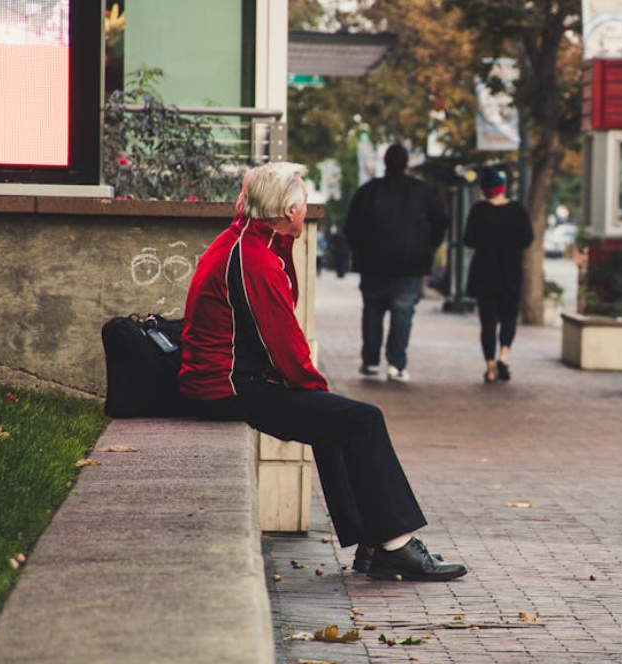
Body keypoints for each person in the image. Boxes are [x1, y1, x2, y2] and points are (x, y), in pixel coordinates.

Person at [178, 162, 467, 582]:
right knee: (361, 419)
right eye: (302, 201)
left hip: (231, 379)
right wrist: (317, 391)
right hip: (226, 386)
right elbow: (284, 342)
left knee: (337, 421)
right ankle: (396, 547)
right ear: (287, 210)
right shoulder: (253, 257)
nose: (307, 207)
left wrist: (319, 398)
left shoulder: (252, 242)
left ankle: (374, 544)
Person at [344, 144, 448, 383]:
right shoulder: (423, 192)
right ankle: (396, 363)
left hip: (373, 263)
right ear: (406, 163)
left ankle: (370, 361)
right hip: (410, 263)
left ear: (385, 162)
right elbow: (440, 223)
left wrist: (361, 251)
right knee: (403, 312)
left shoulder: (368, 192)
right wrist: (427, 247)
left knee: (372, 310)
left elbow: (351, 227)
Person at [464, 167, 534, 384]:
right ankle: (504, 355)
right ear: (503, 188)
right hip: (510, 273)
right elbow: (527, 239)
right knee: (509, 318)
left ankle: (490, 368)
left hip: (485, 275)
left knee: (488, 323)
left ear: (485, 190)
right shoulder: (517, 211)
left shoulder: (478, 211)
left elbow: (469, 240)